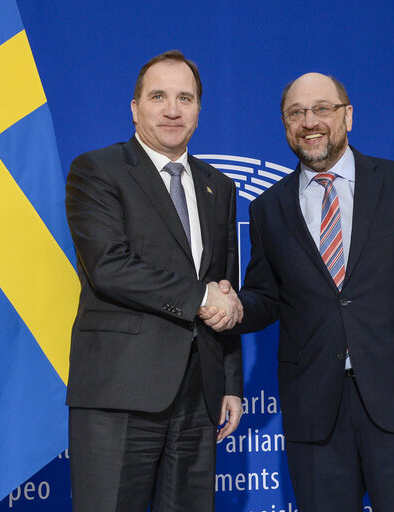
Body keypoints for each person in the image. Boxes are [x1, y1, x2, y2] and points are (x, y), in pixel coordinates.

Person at [202, 72, 394, 511]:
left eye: (322, 109)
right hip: (316, 413)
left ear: (348, 116)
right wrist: (236, 304)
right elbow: (267, 296)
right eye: (295, 113)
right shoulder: (267, 209)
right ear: (284, 125)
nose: (308, 121)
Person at [65, 50, 244, 512]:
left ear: (199, 111)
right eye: (159, 96)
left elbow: (224, 287)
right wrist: (200, 296)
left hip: (199, 397)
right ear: (135, 107)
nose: (172, 109)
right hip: (120, 393)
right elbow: (109, 266)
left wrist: (229, 382)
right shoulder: (97, 170)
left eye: (185, 98)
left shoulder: (218, 186)